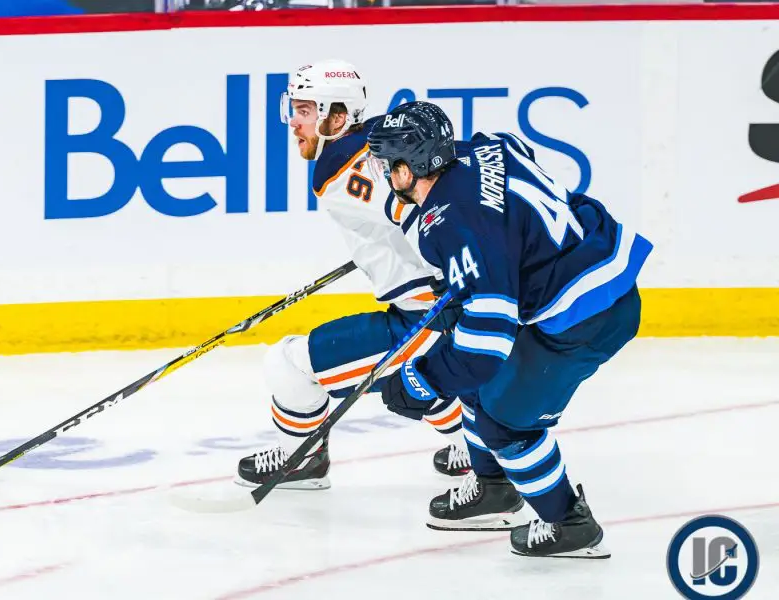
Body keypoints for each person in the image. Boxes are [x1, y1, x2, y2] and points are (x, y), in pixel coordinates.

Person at [367, 101, 652, 558]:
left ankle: (570, 524)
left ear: (409, 168)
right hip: (593, 262)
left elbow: (486, 346)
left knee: (503, 419)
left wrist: (422, 380)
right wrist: (478, 270)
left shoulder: (454, 224)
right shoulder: (482, 148)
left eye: (387, 165)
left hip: (587, 313)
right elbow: (514, 162)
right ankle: (495, 489)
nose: (384, 174)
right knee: (469, 370)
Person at [235, 61, 473, 490]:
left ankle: (301, 461)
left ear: (337, 117)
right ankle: (471, 444)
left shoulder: (340, 168)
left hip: (430, 316)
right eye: (294, 108)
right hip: (446, 309)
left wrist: (446, 273)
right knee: (414, 369)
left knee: (287, 363)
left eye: (305, 111)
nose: (294, 122)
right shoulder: (380, 136)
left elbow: (418, 215)